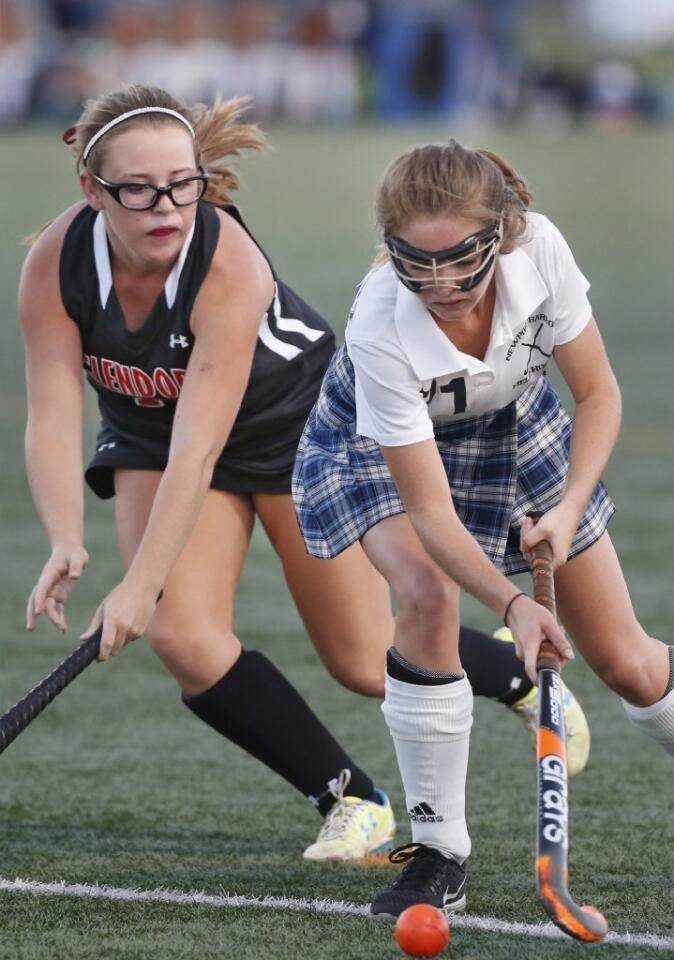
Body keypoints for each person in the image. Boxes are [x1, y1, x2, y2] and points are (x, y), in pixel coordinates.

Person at [18, 85, 588, 866]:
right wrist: (64, 539)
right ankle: (351, 798)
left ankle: (520, 678)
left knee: (361, 659)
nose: (166, 207)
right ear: (92, 188)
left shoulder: (227, 266)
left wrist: (137, 583)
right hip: (151, 432)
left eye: (183, 185)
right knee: (185, 639)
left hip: (297, 427)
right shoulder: (55, 263)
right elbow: (51, 408)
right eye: (139, 190)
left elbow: (203, 447)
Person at [293, 138, 674, 912]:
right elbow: (429, 512)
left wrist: (566, 512)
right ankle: (440, 854)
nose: (442, 284)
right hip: (376, 446)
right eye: (416, 262)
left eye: (463, 259)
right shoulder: (381, 327)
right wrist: (513, 604)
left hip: (517, 424)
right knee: (426, 594)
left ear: (500, 232)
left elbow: (598, 394)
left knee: (631, 663)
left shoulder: (541, 252)